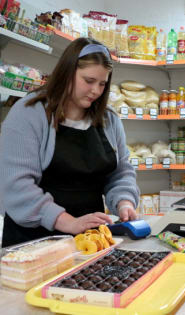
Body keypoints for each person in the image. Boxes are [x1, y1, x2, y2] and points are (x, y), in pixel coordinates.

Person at [0, 38, 140, 247]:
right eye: (89, 80)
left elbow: (120, 172)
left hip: (89, 241)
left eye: (102, 83)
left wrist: (124, 201)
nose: (96, 91)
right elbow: (16, 186)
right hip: (33, 242)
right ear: (67, 73)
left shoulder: (108, 119)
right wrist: (68, 222)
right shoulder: (28, 113)